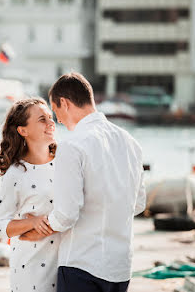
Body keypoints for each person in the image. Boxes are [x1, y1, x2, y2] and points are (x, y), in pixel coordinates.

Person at [20, 72, 146, 292]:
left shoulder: (72, 146)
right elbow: (138, 204)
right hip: (120, 268)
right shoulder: (131, 143)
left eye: (55, 110)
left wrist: (36, 226)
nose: (57, 119)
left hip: (82, 265)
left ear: (64, 103)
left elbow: (66, 215)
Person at [0, 97, 61, 292]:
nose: (51, 123)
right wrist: (32, 223)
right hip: (31, 269)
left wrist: (52, 226)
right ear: (23, 130)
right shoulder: (16, 173)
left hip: (69, 263)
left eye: (50, 117)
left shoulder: (66, 161)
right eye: (42, 119)